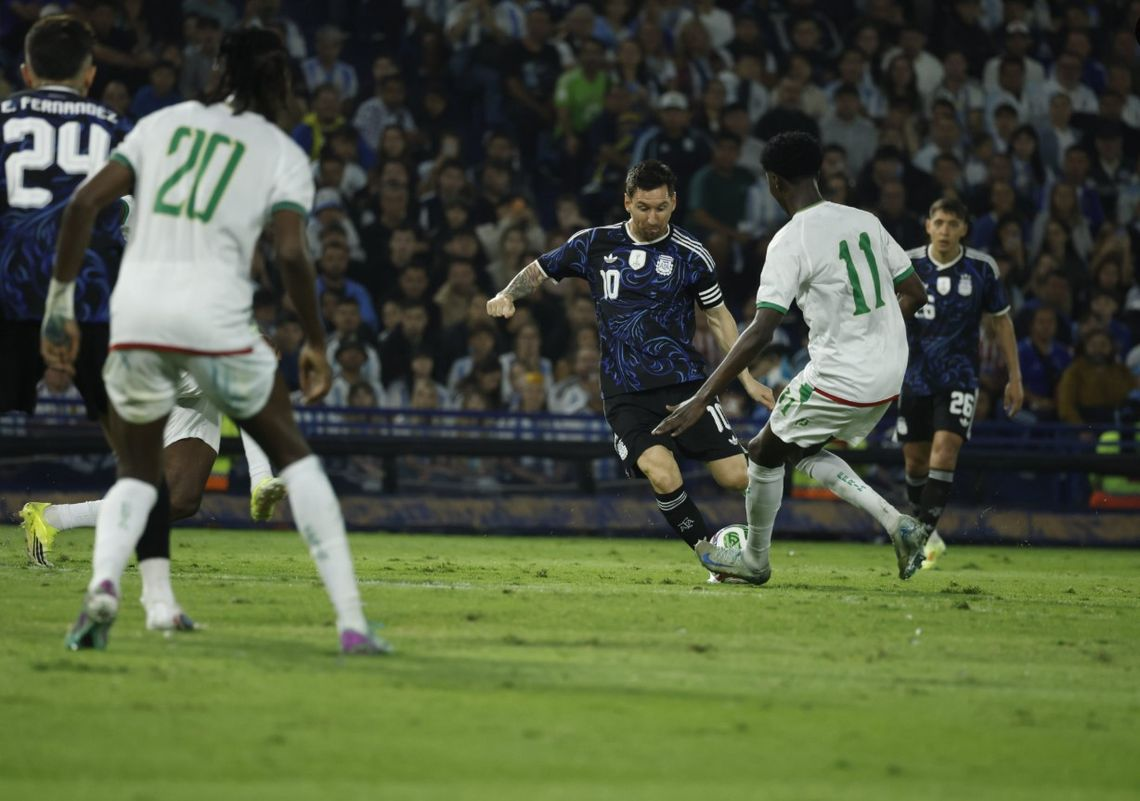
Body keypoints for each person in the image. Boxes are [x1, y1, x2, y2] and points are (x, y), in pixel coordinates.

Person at [40, 27, 388, 655]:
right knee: (296, 456)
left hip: (136, 321)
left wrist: (59, 307)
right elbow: (289, 252)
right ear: (280, 81)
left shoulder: (161, 124)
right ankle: (353, 622)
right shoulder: (280, 151)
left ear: (216, 68)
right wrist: (313, 337)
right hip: (213, 322)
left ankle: (102, 591)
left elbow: (80, 207)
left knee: (145, 477)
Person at [654, 132, 931, 584]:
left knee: (762, 453)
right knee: (796, 448)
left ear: (774, 182)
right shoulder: (866, 221)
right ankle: (897, 524)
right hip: (890, 370)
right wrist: (876, 333)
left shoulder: (789, 240)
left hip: (842, 372)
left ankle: (754, 560)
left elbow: (762, 330)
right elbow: (914, 291)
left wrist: (703, 398)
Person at [0, 16, 197, 623]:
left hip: (7, 297)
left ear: (26, 72)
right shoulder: (121, 130)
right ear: (91, 74)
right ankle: (159, 602)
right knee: (138, 457)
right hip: (93, 308)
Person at [487, 160, 773, 563]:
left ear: (673, 203)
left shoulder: (692, 254)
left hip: (686, 387)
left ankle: (757, 545)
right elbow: (540, 268)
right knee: (662, 473)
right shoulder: (593, 243)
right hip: (625, 392)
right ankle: (711, 555)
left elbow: (718, 316)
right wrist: (507, 295)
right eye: (643, 207)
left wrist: (745, 378)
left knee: (738, 477)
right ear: (626, 202)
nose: (652, 217)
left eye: (660, 207)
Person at [899, 198, 1023, 567]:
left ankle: (917, 540)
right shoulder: (908, 263)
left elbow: (1002, 321)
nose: (945, 230)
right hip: (914, 375)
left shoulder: (981, 267)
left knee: (945, 450)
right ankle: (927, 532)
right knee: (915, 462)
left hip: (960, 376)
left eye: (953, 224)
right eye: (939, 222)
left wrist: (1014, 377)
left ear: (964, 229)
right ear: (927, 225)